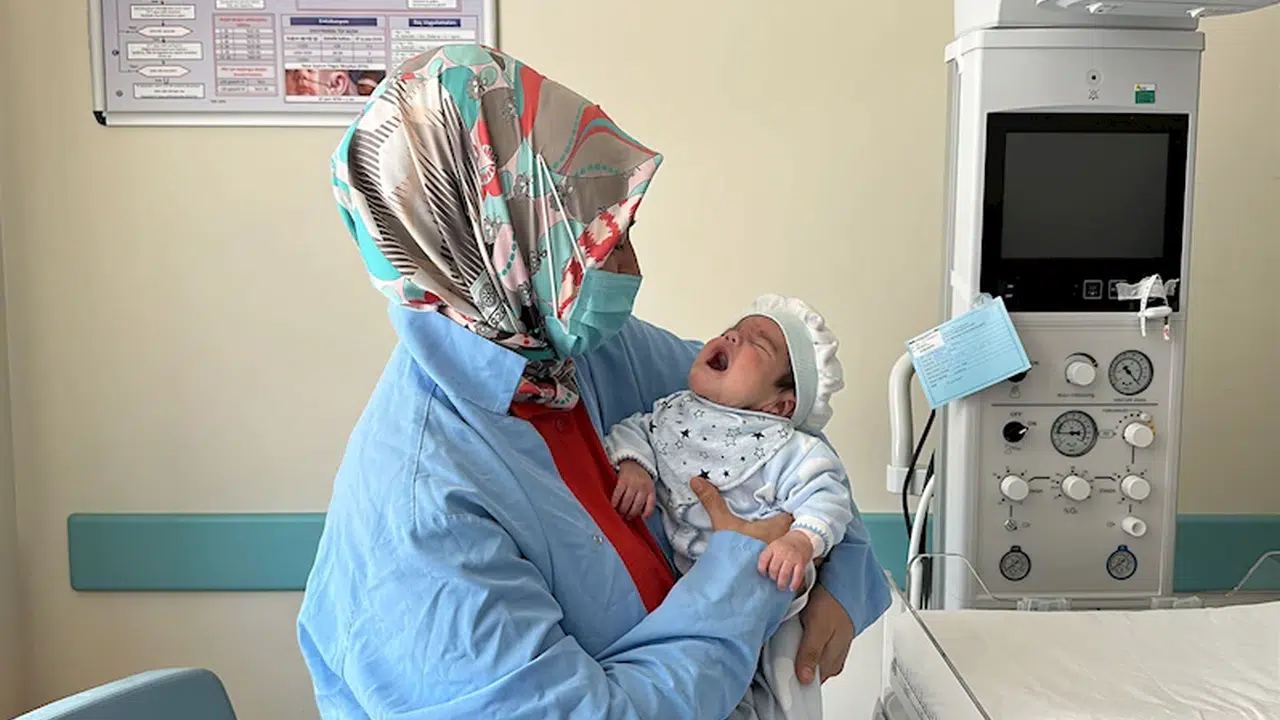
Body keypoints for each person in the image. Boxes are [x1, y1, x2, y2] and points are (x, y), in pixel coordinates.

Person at [296, 43, 892, 719]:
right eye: (601, 242)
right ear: (500, 245)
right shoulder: (420, 518)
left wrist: (840, 572)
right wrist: (747, 576)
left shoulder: (561, 351)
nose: (632, 270)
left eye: (623, 231)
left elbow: (778, 419)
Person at [605, 293, 854, 720]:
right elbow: (635, 431)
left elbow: (827, 495)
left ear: (779, 405)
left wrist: (799, 541)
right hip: (688, 588)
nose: (733, 337)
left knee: (784, 685)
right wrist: (634, 467)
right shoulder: (675, 412)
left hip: (769, 582)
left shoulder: (789, 448)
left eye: (757, 344)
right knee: (712, 687)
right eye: (731, 331)